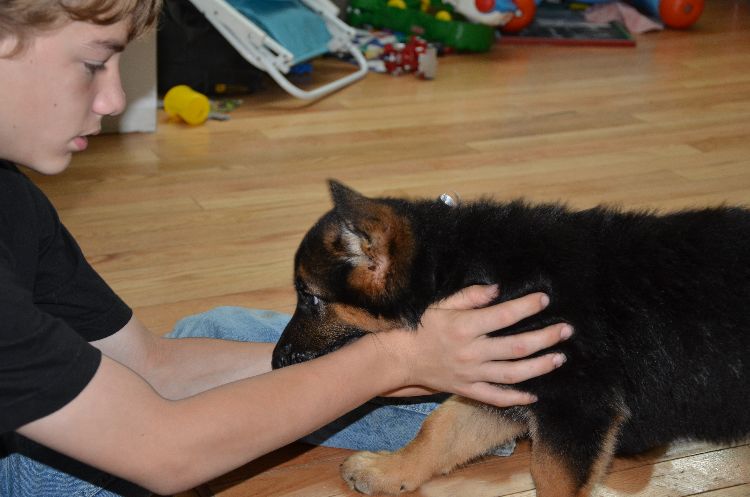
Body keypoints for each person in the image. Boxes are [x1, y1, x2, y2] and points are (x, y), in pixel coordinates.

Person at [0, 1, 573, 496]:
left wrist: (406, 360)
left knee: (226, 330)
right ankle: (514, 401)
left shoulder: (14, 199)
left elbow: (150, 363)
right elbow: (164, 452)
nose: (114, 98)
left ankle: (515, 393)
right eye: (95, 63)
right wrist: (395, 361)